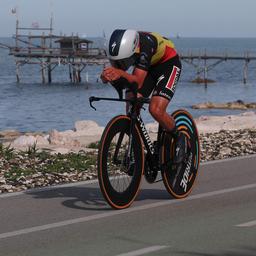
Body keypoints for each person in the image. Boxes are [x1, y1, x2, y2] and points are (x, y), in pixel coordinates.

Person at [101, 29, 186, 163]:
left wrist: (119, 73)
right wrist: (107, 77)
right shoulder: (122, 49)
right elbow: (124, 78)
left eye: (124, 61)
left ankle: (180, 137)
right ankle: (136, 149)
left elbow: (137, 81)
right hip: (147, 67)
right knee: (131, 102)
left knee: (156, 110)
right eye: (118, 61)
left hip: (168, 64)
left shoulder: (145, 47)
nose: (121, 64)